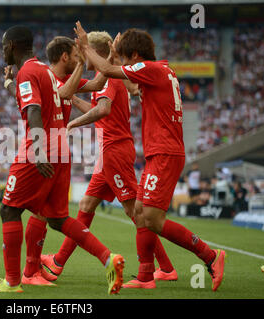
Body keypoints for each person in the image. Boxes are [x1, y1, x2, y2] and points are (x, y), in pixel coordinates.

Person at [75, 21, 226, 291]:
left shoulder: (151, 68)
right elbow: (131, 87)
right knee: (141, 214)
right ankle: (146, 275)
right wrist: (115, 57)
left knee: (153, 219)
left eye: (125, 56)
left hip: (165, 152)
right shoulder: (160, 72)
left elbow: (109, 71)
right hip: (159, 152)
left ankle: (211, 256)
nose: (123, 62)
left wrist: (87, 46)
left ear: (135, 56)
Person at [0, 25, 125, 294]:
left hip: (40, 148)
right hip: (61, 151)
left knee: (9, 210)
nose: (2, 52)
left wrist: (37, 150)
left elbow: (33, 109)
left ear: (11, 46)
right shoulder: (44, 71)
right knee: (55, 218)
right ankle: (108, 258)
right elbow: (33, 99)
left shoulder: (28, 72)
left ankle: (12, 282)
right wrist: (10, 84)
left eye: (2, 47)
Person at [41, 31, 177, 284]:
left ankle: (166, 267)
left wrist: (72, 124)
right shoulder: (105, 78)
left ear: (97, 52)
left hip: (115, 151)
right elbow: (99, 108)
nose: (81, 55)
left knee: (136, 213)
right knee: (86, 206)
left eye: (85, 51)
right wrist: (74, 101)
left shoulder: (109, 78)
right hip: (109, 152)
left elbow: (102, 111)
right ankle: (58, 262)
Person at [3, 35, 112, 286]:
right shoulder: (50, 77)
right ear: (63, 57)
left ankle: (25, 274)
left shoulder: (49, 77)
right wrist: (10, 81)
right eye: (75, 55)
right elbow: (26, 95)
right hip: (60, 148)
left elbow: (94, 84)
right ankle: (34, 271)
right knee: (48, 215)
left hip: (46, 147)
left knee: (17, 210)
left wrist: (97, 60)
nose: (77, 59)